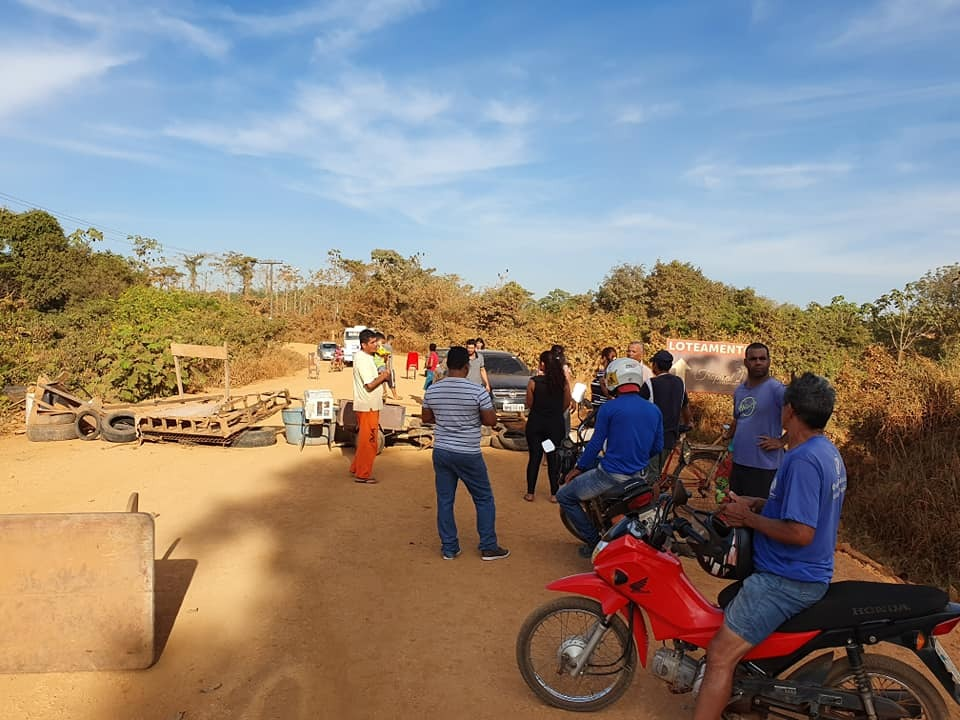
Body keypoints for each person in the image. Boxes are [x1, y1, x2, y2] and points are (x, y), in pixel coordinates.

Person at [693, 372, 847, 720]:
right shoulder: (826, 451)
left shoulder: (802, 459)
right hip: (802, 571)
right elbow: (808, 508)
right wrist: (758, 504)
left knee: (719, 655)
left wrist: (746, 519)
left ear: (789, 410)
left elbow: (801, 532)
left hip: (786, 579)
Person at [556, 357, 663, 557]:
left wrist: (578, 467)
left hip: (610, 476)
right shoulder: (654, 410)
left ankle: (593, 541)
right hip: (639, 477)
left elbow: (596, 444)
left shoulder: (609, 408)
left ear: (616, 379)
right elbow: (657, 446)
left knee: (565, 496)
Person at [421, 346, 510, 561]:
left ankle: (449, 548)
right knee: (483, 498)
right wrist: (471, 419)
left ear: (447, 365)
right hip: (468, 452)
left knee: (445, 500)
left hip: (442, 450)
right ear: (466, 366)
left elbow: (426, 417)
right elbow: (490, 421)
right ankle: (488, 545)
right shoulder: (477, 391)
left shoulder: (433, 389)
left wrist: (445, 419)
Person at [723, 342, 786, 499]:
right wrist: (728, 435)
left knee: (758, 517)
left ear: (769, 361)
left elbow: (802, 417)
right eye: (753, 359)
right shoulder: (740, 391)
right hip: (739, 464)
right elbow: (739, 419)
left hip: (764, 468)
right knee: (736, 514)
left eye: (762, 358)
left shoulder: (777, 390)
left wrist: (782, 441)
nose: (758, 362)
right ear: (746, 362)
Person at [523, 350, 571, 503]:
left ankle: (530, 493)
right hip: (554, 427)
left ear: (543, 364)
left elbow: (529, 403)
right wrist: (554, 412)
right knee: (552, 457)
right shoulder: (562, 382)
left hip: (536, 425)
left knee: (534, 457)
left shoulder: (534, 381)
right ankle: (554, 494)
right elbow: (567, 403)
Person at [639, 350, 693, 481]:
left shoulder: (650, 384)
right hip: (670, 437)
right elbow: (685, 407)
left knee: (650, 478)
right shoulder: (680, 383)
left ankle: (652, 501)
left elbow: (637, 408)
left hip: (652, 438)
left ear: (655, 365)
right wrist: (688, 423)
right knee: (655, 472)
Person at [350, 329, 392, 484]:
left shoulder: (369, 357)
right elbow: (369, 385)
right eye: (372, 343)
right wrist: (384, 377)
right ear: (364, 345)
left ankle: (356, 467)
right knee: (370, 441)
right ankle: (363, 474)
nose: (376, 345)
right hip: (368, 406)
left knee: (364, 440)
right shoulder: (362, 360)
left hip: (370, 404)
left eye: (376, 342)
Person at [590, 346, 617, 412]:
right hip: (597, 408)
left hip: (604, 409)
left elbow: (612, 395)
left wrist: (603, 385)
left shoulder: (611, 373)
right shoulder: (602, 372)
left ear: (604, 358)